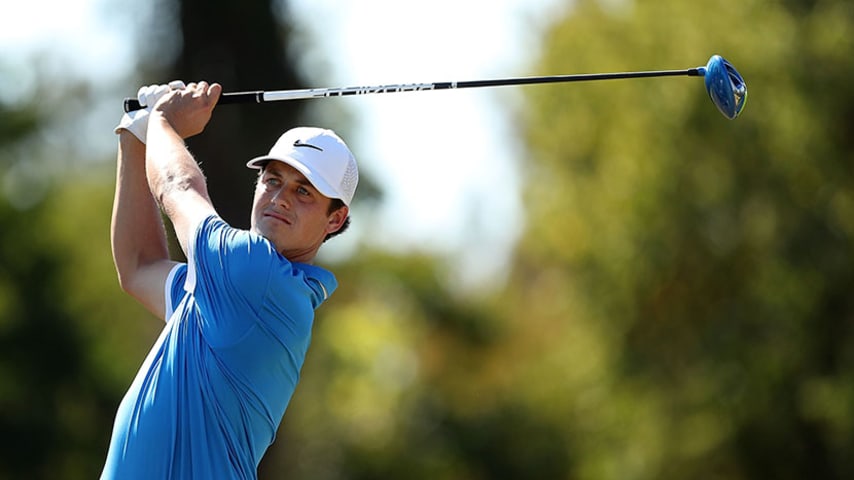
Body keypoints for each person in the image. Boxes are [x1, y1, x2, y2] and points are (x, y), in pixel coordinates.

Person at [102, 80, 358, 479]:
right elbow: (139, 265)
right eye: (272, 180)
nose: (281, 198)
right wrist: (137, 136)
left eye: (304, 191)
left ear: (335, 219)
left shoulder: (256, 276)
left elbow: (179, 186)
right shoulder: (226, 291)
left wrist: (164, 122)